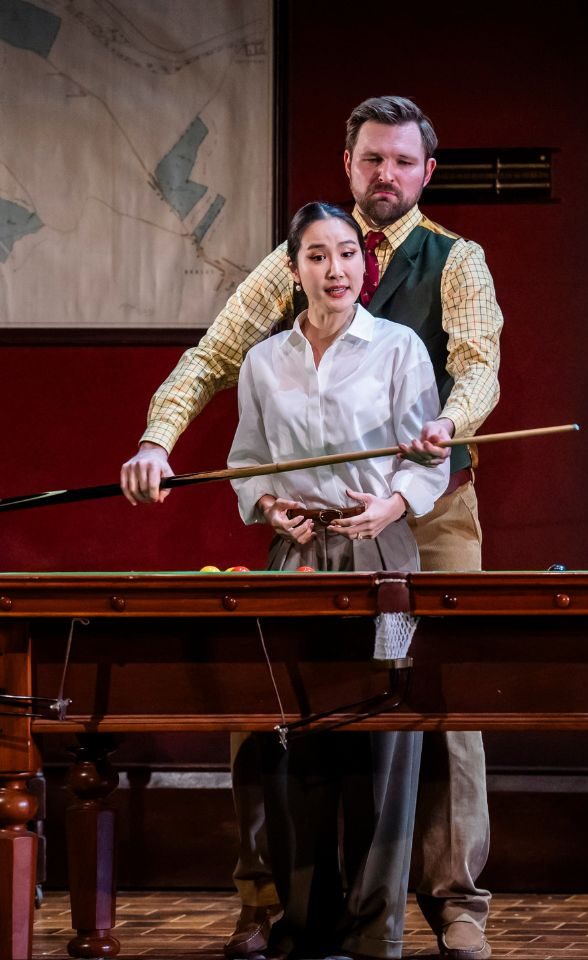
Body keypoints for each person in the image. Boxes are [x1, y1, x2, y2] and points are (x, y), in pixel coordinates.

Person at [121, 95, 502, 960]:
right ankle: (269, 899)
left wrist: (448, 424)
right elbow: (216, 356)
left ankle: (455, 902)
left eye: (401, 161)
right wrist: (157, 439)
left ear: (426, 171)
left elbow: (479, 366)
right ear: (349, 164)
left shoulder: (456, 259)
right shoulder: (300, 254)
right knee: (273, 700)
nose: (386, 174)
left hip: (428, 505)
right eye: (372, 159)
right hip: (315, 525)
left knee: (443, 702)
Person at [227, 200, 449, 960]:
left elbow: (427, 460)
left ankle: (375, 930)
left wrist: (392, 503)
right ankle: (305, 924)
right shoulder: (264, 362)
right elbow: (247, 461)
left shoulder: (398, 348)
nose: (336, 269)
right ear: (295, 270)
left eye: (348, 254)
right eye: (317, 256)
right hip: (297, 561)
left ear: (366, 264)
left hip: (382, 557)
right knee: (297, 737)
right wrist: (268, 506)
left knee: (385, 742)